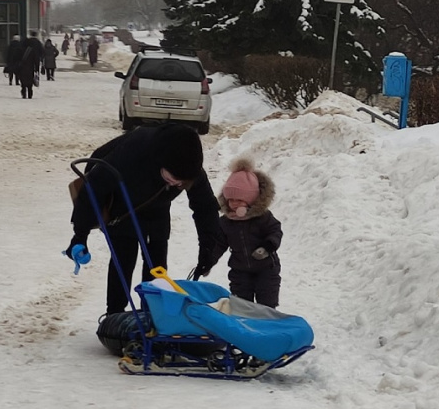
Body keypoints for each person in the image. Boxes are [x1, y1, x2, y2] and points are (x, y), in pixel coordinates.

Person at [65, 124, 222, 315]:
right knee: (123, 259)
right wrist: (80, 235)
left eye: (181, 183)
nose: (176, 184)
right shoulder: (132, 154)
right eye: (173, 178)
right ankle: (114, 313)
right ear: (161, 163)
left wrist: (208, 248)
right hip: (122, 204)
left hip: (157, 206)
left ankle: (153, 314)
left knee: (156, 264)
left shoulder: (188, 168)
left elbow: (205, 207)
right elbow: (92, 189)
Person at [212, 158, 283, 308]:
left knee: (267, 301)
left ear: (251, 200)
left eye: (239, 200)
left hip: (266, 268)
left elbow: (275, 230)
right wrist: (209, 261)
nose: (234, 204)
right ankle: (246, 325)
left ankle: (267, 324)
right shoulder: (226, 222)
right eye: (231, 200)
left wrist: (267, 246)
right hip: (240, 270)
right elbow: (219, 243)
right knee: (242, 304)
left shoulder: (263, 217)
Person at [18, 31, 44, 99]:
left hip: (23, 65)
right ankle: (30, 92)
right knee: (30, 78)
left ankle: (23, 91)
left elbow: (18, 54)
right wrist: (37, 68)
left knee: (23, 79)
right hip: (31, 65)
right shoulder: (38, 43)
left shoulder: (24, 43)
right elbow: (40, 54)